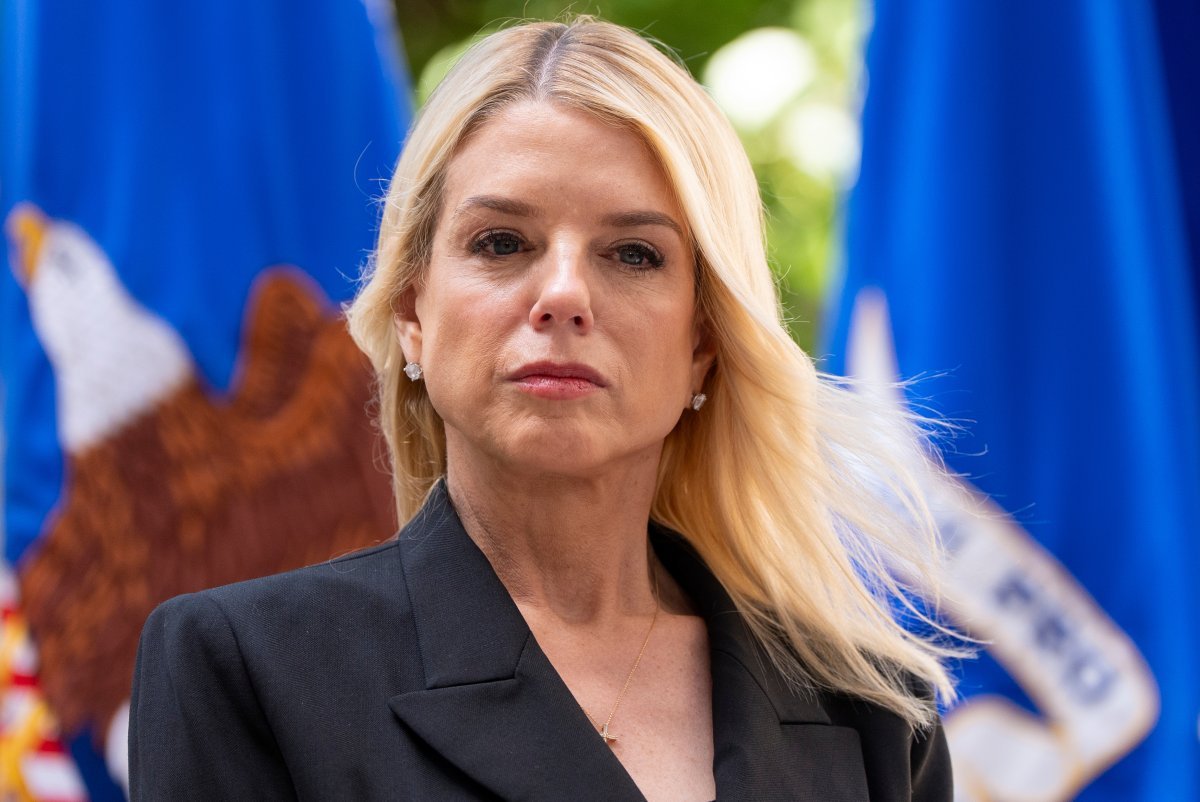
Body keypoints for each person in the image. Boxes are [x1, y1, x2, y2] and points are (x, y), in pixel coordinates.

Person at [129, 16, 959, 801]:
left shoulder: (875, 714)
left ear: (703, 342)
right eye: (502, 243)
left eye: (634, 254)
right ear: (413, 314)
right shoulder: (246, 668)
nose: (564, 295)